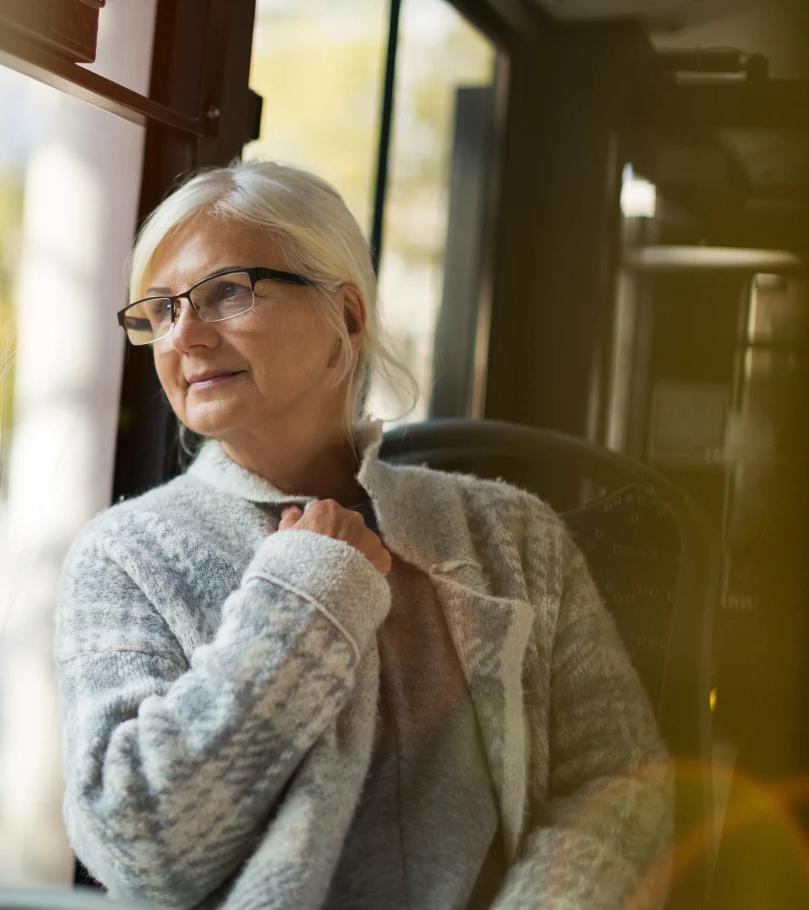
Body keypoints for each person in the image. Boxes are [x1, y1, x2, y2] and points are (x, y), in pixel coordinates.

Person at [54, 161, 672, 910]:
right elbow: (139, 848)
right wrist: (307, 593)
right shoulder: (123, 557)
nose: (183, 334)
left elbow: (622, 785)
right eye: (159, 311)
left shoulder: (517, 534)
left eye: (225, 292)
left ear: (345, 318)